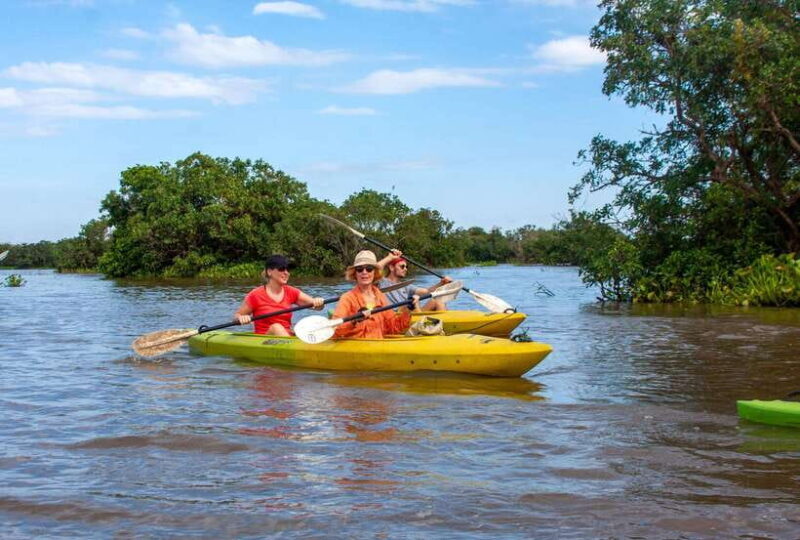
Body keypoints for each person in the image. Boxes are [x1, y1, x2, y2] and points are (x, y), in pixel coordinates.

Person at [332, 250, 419, 339]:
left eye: (369, 269)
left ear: (375, 272)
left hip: (377, 347)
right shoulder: (347, 298)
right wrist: (354, 321)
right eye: (359, 269)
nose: (364, 272)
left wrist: (408, 309)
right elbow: (335, 330)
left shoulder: (380, 296)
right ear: (355, 273)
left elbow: (393, 327)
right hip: (357, 348)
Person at [235, 255, 325, 335]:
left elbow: (317, 307)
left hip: (286, 336)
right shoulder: (255, 295)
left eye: (287, 270)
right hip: (265, 340)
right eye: (281, 269)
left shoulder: (291, 291)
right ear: (269, 272)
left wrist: (319, 303)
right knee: (276, 327)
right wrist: (242, 318)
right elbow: (237, 316)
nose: (286, 273)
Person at [376, 250, 453, 311]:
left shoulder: (407, 286)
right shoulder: (382, 282)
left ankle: (443, 327)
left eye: (406, 267)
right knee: (411, 302)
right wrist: (389, 257)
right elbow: (374, 270)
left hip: (408, 314)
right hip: (393, 316)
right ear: (391, 268)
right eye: (402, 266)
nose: (405, 269)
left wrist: (441, 283)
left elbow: (427, 291)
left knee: (438, 301)